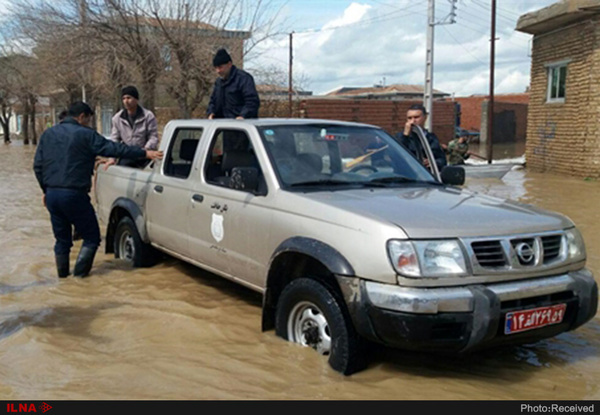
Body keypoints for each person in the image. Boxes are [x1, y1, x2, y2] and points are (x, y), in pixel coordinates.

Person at [33, 101, 163, 279]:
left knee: (62, 240)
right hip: (74, 194)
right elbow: (114, 148)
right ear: (81, 117)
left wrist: (45, 190)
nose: (88, 123)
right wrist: (143, 153)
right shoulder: (86, 135)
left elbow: (38, 166)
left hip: (53, 195)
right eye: (88, 120)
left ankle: (62, 279)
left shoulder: (48, 134)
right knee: (92, 237)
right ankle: (79, 278)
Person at [106, 85, 159, 168]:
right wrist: (112, 158)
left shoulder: (148, 116)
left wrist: (145, 150)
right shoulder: (117, 118)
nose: (126, 101)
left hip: (145, 155)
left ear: (136, 99)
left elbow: (153, 137)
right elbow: (114, 140)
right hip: (127, 155)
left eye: (129, 98)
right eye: (124, 98)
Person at [206, 48, 260, 120]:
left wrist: (243, 116)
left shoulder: (243, 79)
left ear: (229, 64)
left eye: (220, 67)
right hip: (223, 125)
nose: (218, 71)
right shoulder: (218, 83)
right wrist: (211, 112)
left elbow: (252, 101)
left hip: (242, 126)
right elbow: (213, 101)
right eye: (216, 68)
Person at [395, 104, 447, 172]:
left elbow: (442, 159)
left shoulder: (430, 138)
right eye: (409, 118)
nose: (413, 121)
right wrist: (405, 135)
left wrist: (433, 162)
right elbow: (397, 155)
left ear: (425, 117)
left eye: (416, 117)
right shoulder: (400, 137)